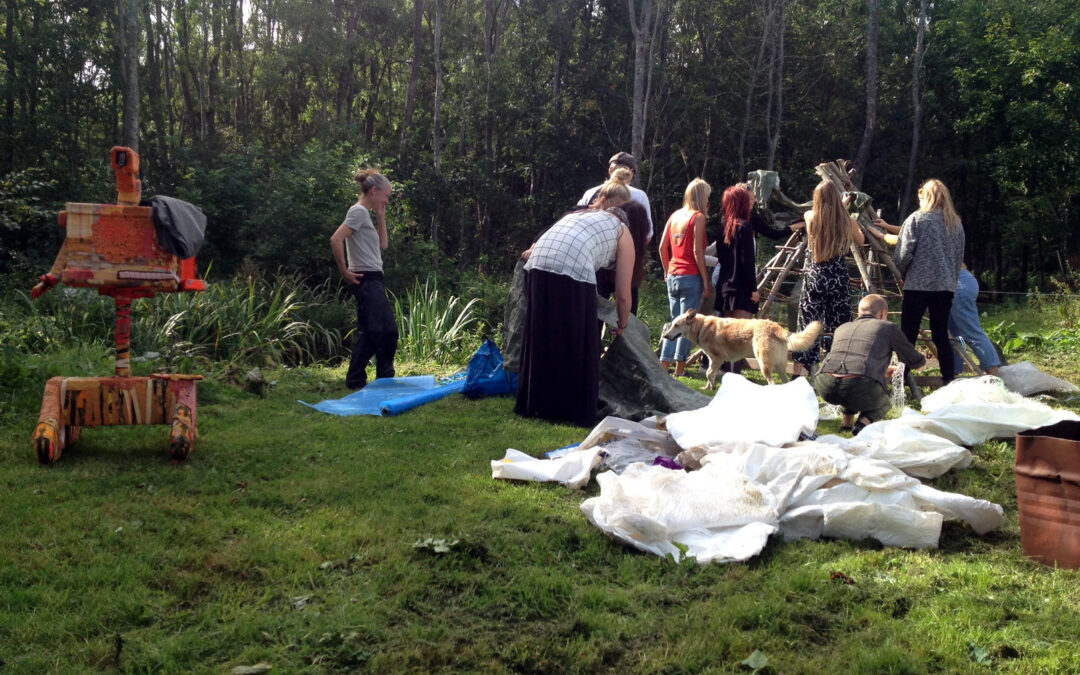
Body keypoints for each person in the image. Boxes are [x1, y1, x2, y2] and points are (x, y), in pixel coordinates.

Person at [515, 179, 637, 426]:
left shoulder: (581, 213)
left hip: (538, 263)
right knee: (577, 337)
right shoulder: (623, 231)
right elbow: (623, 293)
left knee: (543, 333)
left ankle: (536, 402)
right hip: (574, 264)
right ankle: (570, 409)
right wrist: (622, 322)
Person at [880, 178, 965, 384]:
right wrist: (951, 282)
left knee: (907, 335)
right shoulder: (955, 223)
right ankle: (948, 379)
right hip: (944, 287)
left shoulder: (917, 219)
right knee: (941, 335)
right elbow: (958, 257)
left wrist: (901, 272)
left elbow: (903, 254)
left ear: (925, 198)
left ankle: (902, 379)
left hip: (918, 285)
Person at [815, 294, 926, 434]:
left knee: (850, 383)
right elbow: (915, 360)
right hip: (858, 385)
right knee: (883, 401)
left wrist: (882, 369)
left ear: (859, 312)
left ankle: (846, 425)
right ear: (883, 313)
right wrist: (922, 365)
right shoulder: (888, 327)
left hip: (825, 384)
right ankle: (862, 424)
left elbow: (850, 361)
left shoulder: (842, 327)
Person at [330, 169, 397, 389]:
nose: (387, 199)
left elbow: (383, 244)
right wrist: (345, 272)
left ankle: (374, 378)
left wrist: (381, 216)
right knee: (378, 331)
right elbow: (336, 239)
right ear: (374, 190)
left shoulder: (366, 215)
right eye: (386, 195)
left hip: (374, 278)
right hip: (365, 278)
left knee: (381, 331)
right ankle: (360, 379)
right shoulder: (358, 212)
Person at [790, 181, 865, 375]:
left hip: (815, 275)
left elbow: (813, 216)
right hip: (838, 278)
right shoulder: (847, 220)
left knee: (807, 322)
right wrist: (843, 207)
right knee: (839, 324)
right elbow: (861, 240)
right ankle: (835, 368)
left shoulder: (811, 217)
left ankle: (799, 372)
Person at [657, 178, 713, 377]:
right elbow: (698, 252)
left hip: (673, 275)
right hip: (690, 276)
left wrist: (666, 270)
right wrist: (706, 281)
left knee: (674, 321)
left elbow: (662, 247)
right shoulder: (697, 217)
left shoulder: (675, 215)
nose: (708, 201)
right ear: (700, 197)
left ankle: (664, 366)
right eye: (707, 196)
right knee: (687, 326)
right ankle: (679, 370)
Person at [578, 151, 654, 239]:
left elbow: (578, 220)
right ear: (631, 172)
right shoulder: (639, 196)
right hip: (625, 248)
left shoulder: (590, 193)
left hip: (592, 247)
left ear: (610, 170)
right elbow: (647, 235)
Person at [949, 266, 1001, 376]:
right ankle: (954, 373)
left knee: (972, 333)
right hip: (958, 282)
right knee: (952, 334)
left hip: (957, 285)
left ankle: (994, 375)